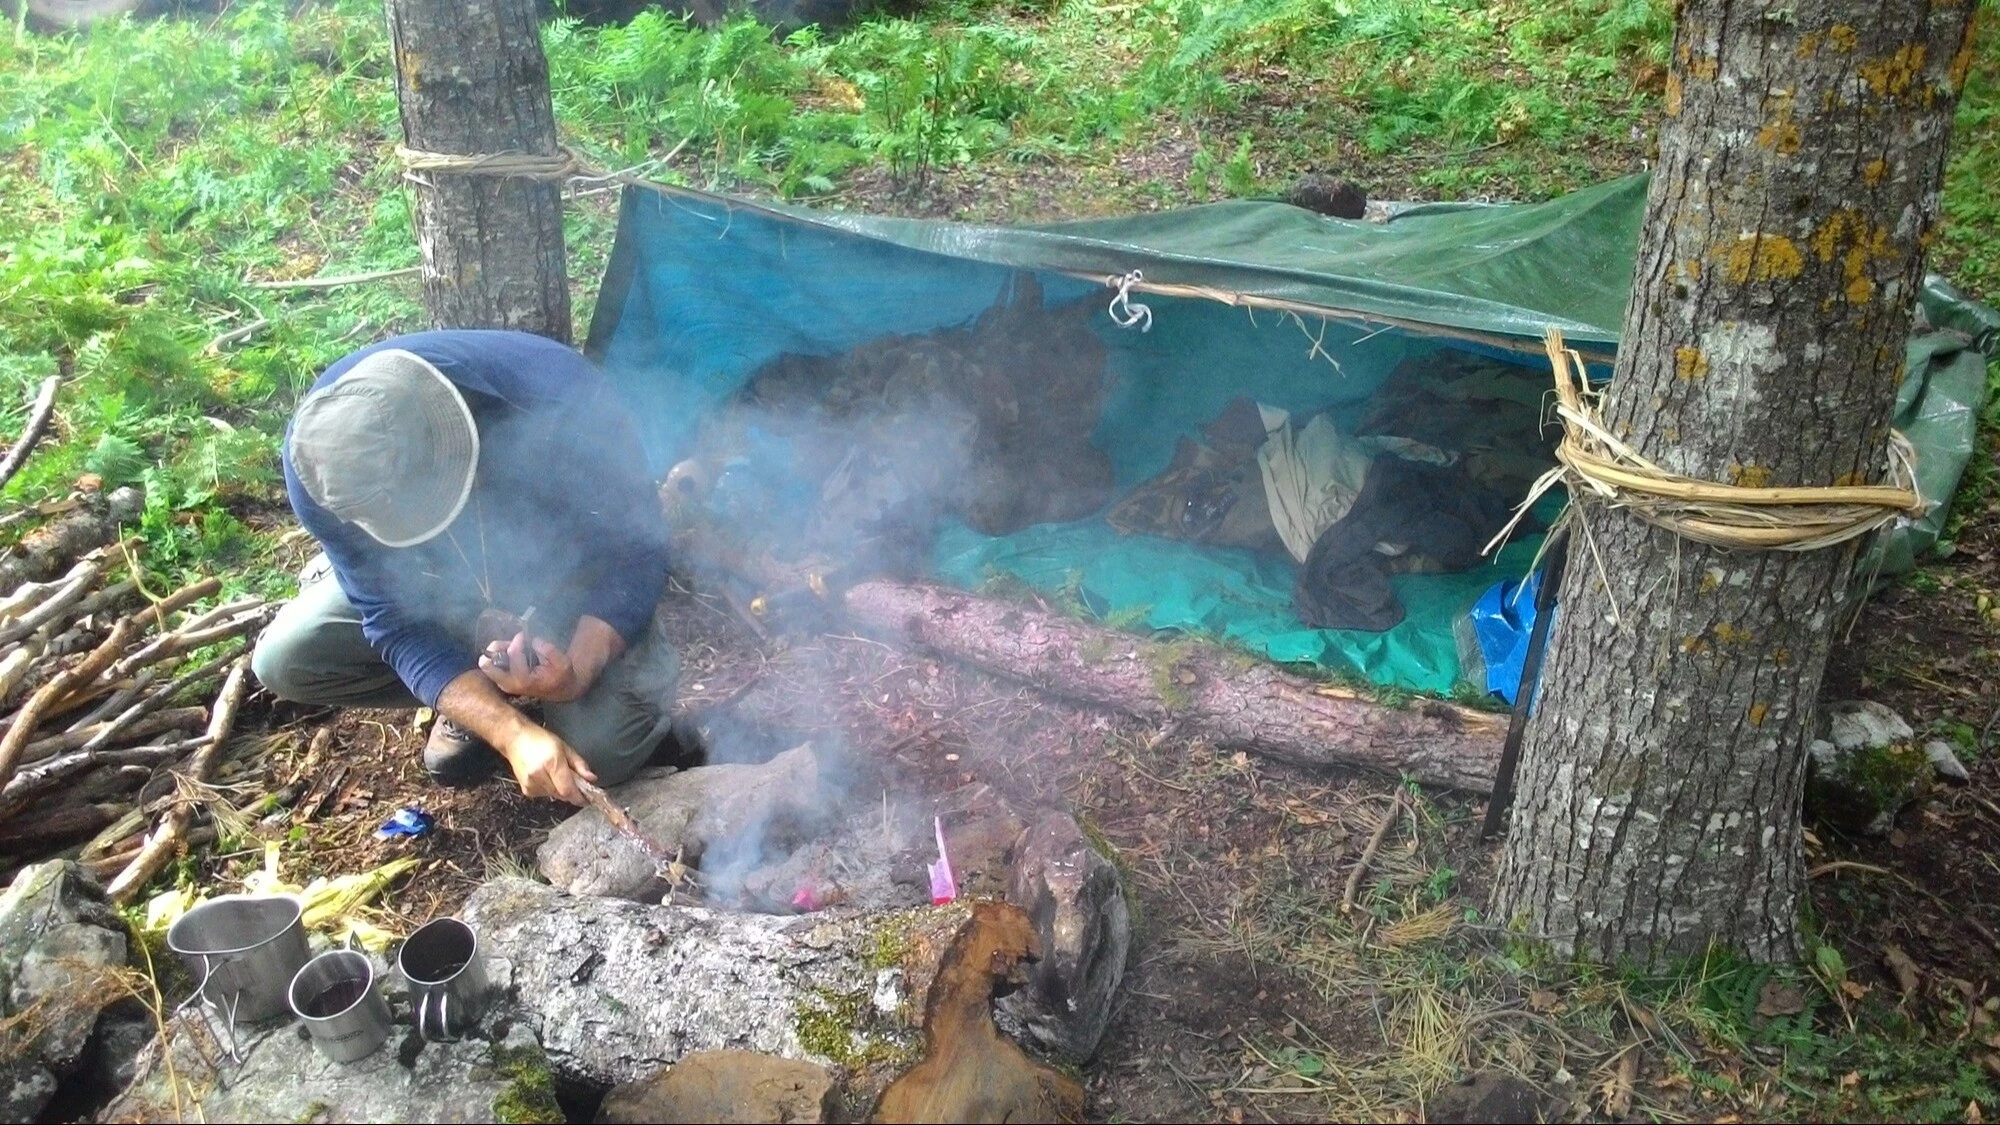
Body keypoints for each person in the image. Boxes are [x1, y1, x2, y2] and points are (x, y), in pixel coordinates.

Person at [252, 329, 678, 806]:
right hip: (440, 586)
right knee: (285, 659)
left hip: (571, 573)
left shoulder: (558, 395)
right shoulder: (320, 468)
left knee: (605, 755)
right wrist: (508, 730)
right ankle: (474, 687)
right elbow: (392, 620)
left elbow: (637, 550)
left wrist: (577, 670)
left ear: (449, 432)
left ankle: (538, 681)